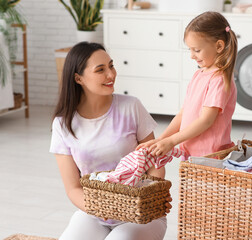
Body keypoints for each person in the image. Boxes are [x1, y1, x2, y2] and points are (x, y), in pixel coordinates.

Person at [50, 42, 170, 240]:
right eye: (101, 70)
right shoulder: (63, 124)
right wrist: (103, 207)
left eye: (111, 66)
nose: (111, 74)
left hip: (141, 213)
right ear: (78, 78)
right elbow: (73, 188)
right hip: (95, 213)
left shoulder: (131, 106)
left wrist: (149, 198)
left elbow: (155, 162)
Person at [138, 11, 238, 158]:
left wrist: (172, 141)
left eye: (196, 50)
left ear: (219, 46)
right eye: (190, 49)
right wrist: (161, 139)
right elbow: (183, 113)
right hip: (192, 152)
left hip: (210, 155)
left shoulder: (219, 80)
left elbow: (206, 121)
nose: (192, 55)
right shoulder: (199, 75)